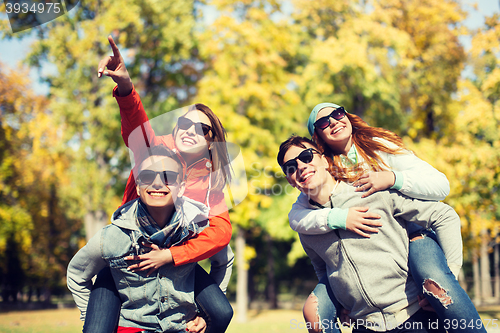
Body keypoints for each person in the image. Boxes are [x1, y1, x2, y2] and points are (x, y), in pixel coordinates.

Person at [83, 35, 234, 333]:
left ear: (210, 140)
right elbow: (137, 125)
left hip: (178, 265)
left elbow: (221, 232)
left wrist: (172, 256)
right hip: (131, 256)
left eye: (201, 128)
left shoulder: (210, 186)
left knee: (220, 312)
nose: (190, 129)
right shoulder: (154, 151)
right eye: (184, 123)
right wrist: (125, 86)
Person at [290, 104, 485, 333]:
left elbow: (441, 187)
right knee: (315, 309)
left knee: (439, 284)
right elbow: (297, 216)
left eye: (338, 114)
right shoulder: (319, 170)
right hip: (369, 253)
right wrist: (340, 217)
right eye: (323, 122)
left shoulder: (379, 147)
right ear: (318, 137)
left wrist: (392, 178)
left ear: (347, 116)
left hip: (414, 234)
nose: (333, 122)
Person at [68, 145, 210, 332]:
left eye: (168, 176)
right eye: (148, 176)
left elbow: (224, 259)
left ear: (181, 187)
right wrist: (91, 318)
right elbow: (76, 274)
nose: (157, 183)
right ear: (138, 185)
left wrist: (205, 315)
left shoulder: (196, 228)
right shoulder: (113, 237)